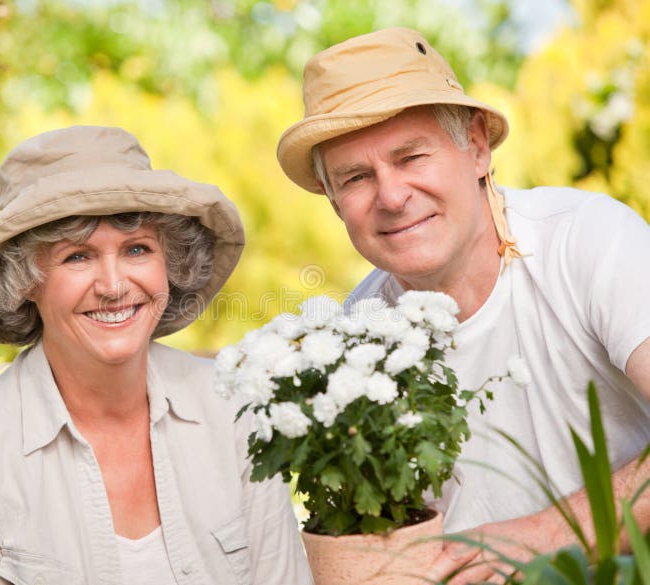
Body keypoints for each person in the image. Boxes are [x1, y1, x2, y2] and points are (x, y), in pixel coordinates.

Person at [276, 27, 650, 583]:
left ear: (476, 146)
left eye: (411, 157)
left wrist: (539, 538)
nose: (393, 196)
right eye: (356, 177)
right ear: (334, 202)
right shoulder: (355, 344)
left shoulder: (587, 239)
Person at [0, 126, 314, 585]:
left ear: (169, 265)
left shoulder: (232, 409)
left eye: (137, 249)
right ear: (26, 281)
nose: (114, 286)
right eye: (77, 257)